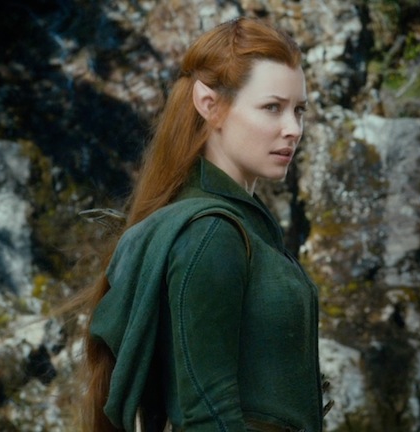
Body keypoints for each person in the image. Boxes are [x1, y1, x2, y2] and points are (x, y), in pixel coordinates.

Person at [73, 17, 326, 432]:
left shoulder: (236, 223)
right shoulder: (211, 233)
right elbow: (206, 415)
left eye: (299, 110)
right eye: (272, 107)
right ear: (210, 105)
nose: (293, 129)